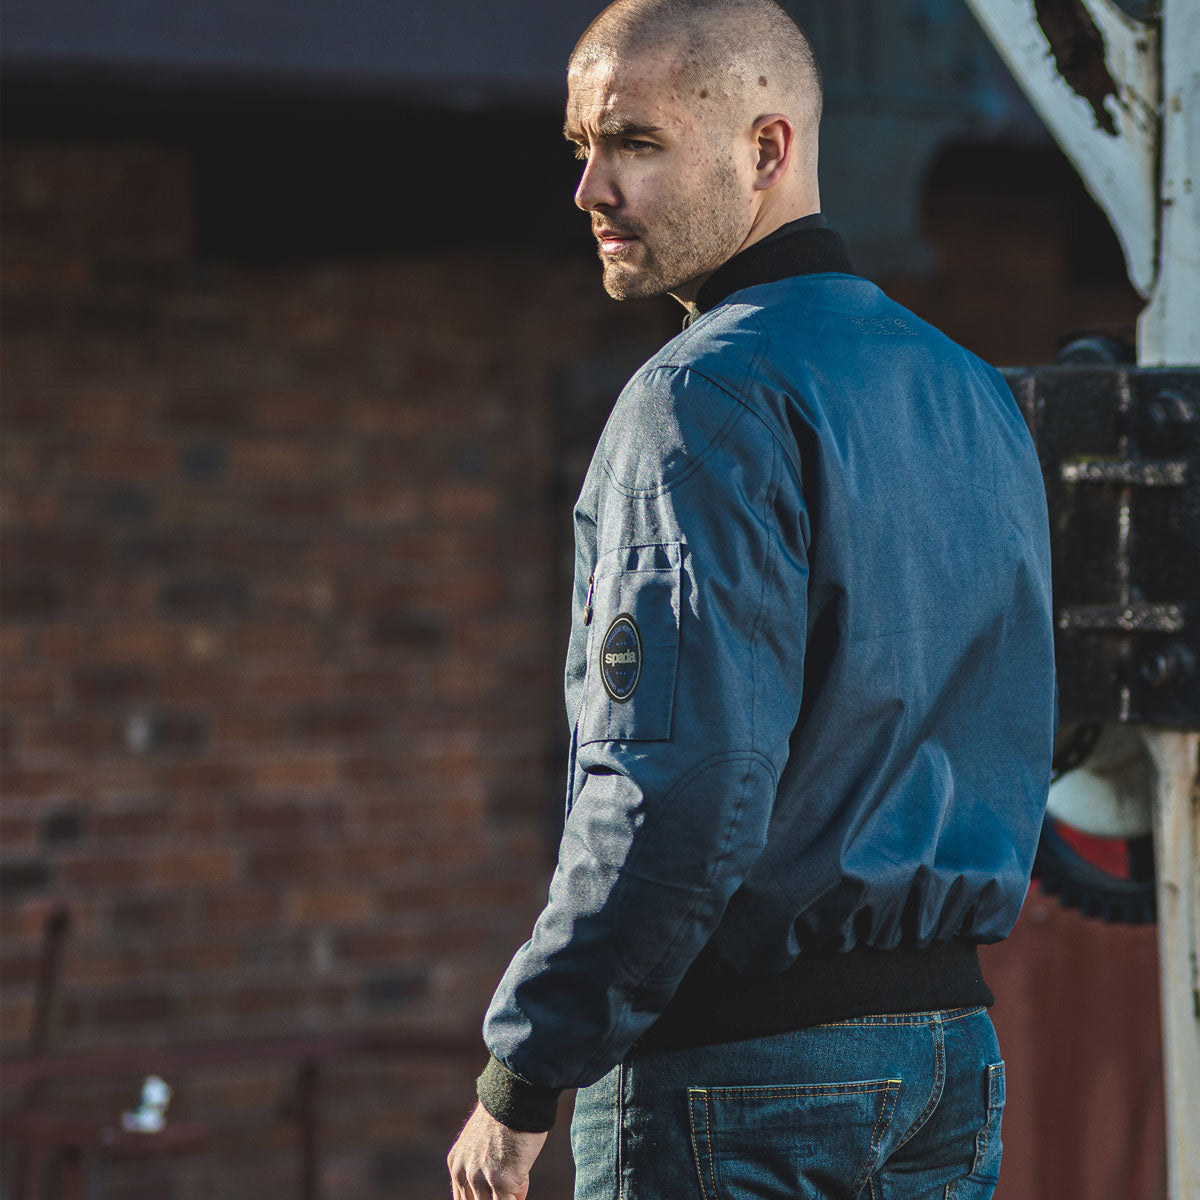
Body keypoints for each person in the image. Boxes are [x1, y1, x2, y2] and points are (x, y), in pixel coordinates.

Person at [447, 1, 1056, 1196]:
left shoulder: (700, 403)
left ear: (766, 149)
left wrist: (523, 1075)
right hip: (949, 1065)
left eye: (634, 142)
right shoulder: (974, 393)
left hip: (743, 1080)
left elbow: (677, 787)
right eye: (581, 144)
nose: (589, 189)